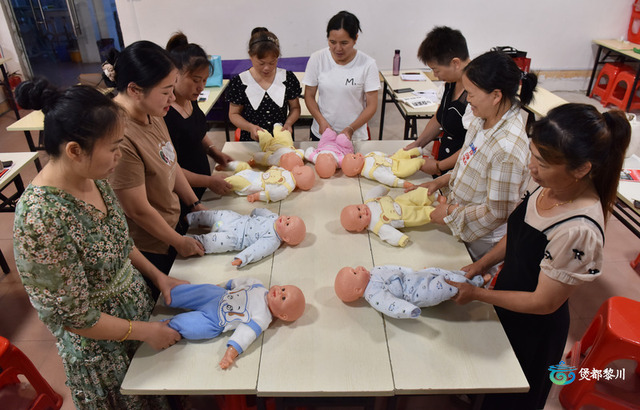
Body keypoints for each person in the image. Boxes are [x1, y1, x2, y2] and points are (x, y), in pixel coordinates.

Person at [13, 78, 188, 409]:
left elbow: (118, 242)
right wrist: (145, 332)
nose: (119, 156)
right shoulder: (41, 218)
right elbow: (76, 318)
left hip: (135, 318)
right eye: (113, 148)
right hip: (103, 351)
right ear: (75, 150)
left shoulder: (94, 179)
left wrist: (158, 276)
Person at [446, 103, 630, 409]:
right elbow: (519, 234)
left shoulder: (579, 229)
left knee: (508, 399)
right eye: (533, 154)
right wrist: (481, 263)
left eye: (542, 163)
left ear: (581, 169)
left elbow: (543, 302)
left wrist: (478, 294)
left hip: (532, 329)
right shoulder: (550, 185)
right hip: (507, 300)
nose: (531, 167)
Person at [412, 51, 537, 262]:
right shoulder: (482, 119)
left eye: (471, 93)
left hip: (483, 239)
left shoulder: (507, 149)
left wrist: (451, 212)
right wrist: (441, 181)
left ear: (496, 96)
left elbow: (497, 212)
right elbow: (468, 163)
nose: (467, 99)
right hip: (462, 219)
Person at [108, 41, 206, 277]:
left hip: (173, 225)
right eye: (165, 92)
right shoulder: (117, 135)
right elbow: (137, 209)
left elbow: (171, 163)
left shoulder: (152, 111)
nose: (172, 98)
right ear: (134, 90)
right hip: (151, 245)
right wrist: (177, 242)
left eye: (172, 89)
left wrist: (195, 205)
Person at [167, 278, 305, 369]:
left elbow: (245, 334)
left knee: (196, 327)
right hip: (218, 295)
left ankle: (169, 326)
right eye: (283, 289)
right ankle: (170, 294)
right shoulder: (258, 286)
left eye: (283, 297)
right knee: (201, 291)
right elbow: (242, 281)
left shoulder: (262, 318)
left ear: (282, 315)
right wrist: (224, 284)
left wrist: (231, 352)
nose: (279, 291)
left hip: (215, 319)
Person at [165, 32, 233, 200]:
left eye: (204, 80)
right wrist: (209, 181)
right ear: (175, 75)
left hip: (202, 179)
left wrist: (214, 152)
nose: (201, 87)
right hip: (182, 192)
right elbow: (171, 169)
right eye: (196, 80)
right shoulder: (165, 114)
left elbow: (196, 132)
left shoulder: (190, 99)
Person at [404, 26, 472, 176]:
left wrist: (439, 166)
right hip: (444, 166)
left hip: (462, 172)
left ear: (455, 63)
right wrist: (418, 144)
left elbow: (474, 146)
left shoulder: (477, 94)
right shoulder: (450, 84)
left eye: (436, 70)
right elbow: (439, 118)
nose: (436, 75)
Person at [303, 10, 380, 141]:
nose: (338, 48)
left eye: (344, 43)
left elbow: (372, 105)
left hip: (354, 135)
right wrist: (321, 121)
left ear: (355, 38)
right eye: (332, 42)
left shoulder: (367, 64)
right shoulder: (317, 59)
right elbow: (309, 96)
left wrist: (350, 128)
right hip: (322, 132)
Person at [227, 27, 302, 141]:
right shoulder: (240, 82)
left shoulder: (287, 78)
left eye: (272, 62)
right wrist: (249, 127)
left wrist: (289, 123)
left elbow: (295, 108)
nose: (267, 68)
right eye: (261, 63)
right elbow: (233, 114)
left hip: (281, 139)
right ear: (250, 56)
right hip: (251, 139)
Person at [334, 265, 483, 318]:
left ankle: (472, 278)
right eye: (355, 272)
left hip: (414, 276)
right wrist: (408, 310)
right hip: (414, 292)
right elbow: (391, 305)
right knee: (442, 286)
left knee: (439, 272)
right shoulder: (374, 296)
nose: (359, 267)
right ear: (358, 289)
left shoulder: (374, 271)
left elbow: (394, 268)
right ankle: (475, 285)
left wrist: (409, 271)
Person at [186, 208, 306, 268]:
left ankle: (189, 242)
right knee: (215, 215)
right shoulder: (274, 217)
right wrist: (255, 211)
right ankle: (191, 218)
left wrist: (243, 258)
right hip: (237, 219)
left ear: (285, 238)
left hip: (235, 238)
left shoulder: (272, 241)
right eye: (288, 218)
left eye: (287, 224)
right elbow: (262, 211)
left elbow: (257, 250)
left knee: (213, 242)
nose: (285, 219)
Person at [341, 185, 437, 247]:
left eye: (358, 208)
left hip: (399, 201)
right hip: (404, 216)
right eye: (360, 217)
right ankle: (435, 212)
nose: (362, 211)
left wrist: (383, 188)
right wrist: (399, 239)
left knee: (413, 196)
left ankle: (433, 196)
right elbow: (388, 233)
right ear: (360, 228)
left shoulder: (368, 201)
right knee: (420, 215)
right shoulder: (376, 225)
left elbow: (375, 192)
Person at [221, 161, 315, 202]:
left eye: (301, 168)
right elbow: (278, 169)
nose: (298, 166)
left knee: (235, 181)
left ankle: (221, 181)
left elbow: (273, 194)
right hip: (255, 174)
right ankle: (226, 165)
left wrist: (257, 196)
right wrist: (272, 168)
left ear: (299, 173)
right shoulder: (287, 173)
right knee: (243, 166)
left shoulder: (287, 186)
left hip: (252, 184)